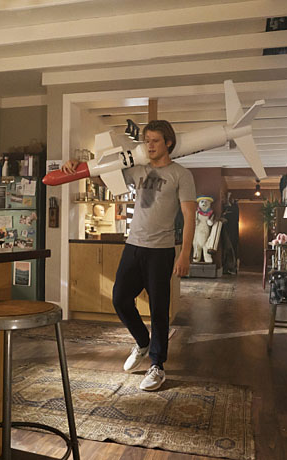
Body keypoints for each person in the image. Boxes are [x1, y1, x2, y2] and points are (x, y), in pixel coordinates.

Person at [62, 120, 196, 391]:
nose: (150, 145)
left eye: (155, 141)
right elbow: (101, 175)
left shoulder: (181, 174)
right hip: (133, 246)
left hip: (161, 251)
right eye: (147, 141)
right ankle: (142, 342)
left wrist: (185, 253)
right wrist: (77, 165)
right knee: (120, 299)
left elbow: (190, 215)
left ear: (168, 143)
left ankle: (157, 365)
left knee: (159, 310)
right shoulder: (139, 170)